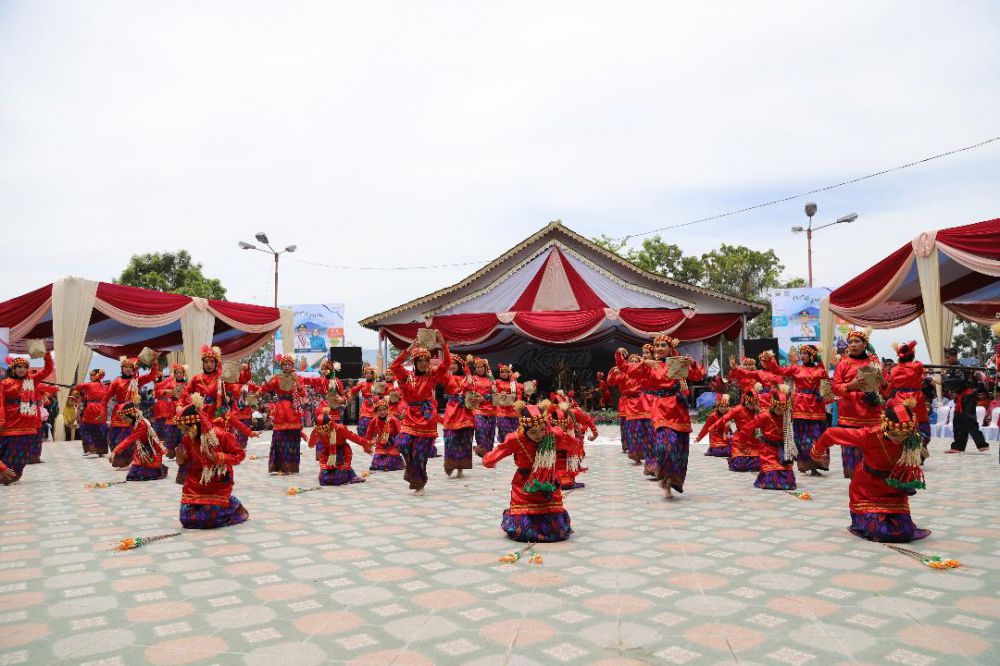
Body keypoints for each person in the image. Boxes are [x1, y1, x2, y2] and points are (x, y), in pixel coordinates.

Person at [812, 402, 930, 542]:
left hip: (895, 490)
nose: (899, 439)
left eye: (904, 435)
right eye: (895, 435)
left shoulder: (911, 435)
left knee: (905, 532)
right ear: (885, 426)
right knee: (882, 531)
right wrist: (817, 452)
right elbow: (830, 433)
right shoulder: (869, 435)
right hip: (868, 490)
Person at [618, 335, 704, 498]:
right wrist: (627, 357)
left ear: (670, 348)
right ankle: (663, 474)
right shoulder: (651, 365)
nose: (658, 348)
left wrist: (692, 364)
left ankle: (670, 481)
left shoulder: (677, 362)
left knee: (678, 449)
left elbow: (697, 376)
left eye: (662, 345)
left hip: (678, 409)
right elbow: (627, 369)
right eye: (656, 346)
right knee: (664, 446)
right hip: (660, 408)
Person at [482, 401, 572, 542]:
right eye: (533, 432)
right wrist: (488, 460)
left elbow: (572, 444)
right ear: (524, 428)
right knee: (522, 531)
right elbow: (494, 456)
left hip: (548, 480)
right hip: (524, 485)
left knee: (558, 531)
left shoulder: (552, 435)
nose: (539, 435)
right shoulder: (515, 439)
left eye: (542, 429)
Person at [175, 398, 249, 529]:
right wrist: (180, 460)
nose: (184, 432)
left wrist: (216, 457)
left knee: (208, 519)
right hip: (195, 484)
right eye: (182, 429)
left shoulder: (220, 435)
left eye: (187, 428)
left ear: (197, 423)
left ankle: (233, 504)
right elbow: (187, 462)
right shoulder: (188, 438)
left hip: (218, 483)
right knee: (186, 519)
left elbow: (239, 455)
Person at [390, 332, 450, 494]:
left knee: (420, 453)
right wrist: (409, 349)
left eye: (426, 360)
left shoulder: (432, 376)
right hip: (410, 416)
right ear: (414, 362)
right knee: (402, 443)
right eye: (420, 360)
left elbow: (446, 365)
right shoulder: (406, 377)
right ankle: (411, 469)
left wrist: (443, 345)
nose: (423, 363)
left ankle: (420, 483)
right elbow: (394, 366)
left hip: (427, 416)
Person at [761, 345, 830, 475]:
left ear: (812, 356)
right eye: (801, 353)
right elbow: (778, 370)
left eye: (805, 353)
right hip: (801, 406)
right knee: (802, 438)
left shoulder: (818, 370)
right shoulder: (796, 368)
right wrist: (771, 359)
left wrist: (820, 360)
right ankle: (805, 465)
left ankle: (816, 464)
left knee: (817, 436)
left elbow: (826, 376)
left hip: (816, 407)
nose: (802, 356)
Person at [830, 330, 886, 478]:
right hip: (849, 415)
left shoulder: (874, 363)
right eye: (850, 342)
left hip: (871, 414)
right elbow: (834, 387)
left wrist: (883, 381)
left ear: (865, 344)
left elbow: (886, 390)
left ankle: (872, 484)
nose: (853, 345)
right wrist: (850, 386)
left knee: (872, 451)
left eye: (857, 341)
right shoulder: (843, 364)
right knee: (851, 453)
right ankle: (856, 484)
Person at [0, 351, 54, 484]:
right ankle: (4, 472)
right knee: (7, 452)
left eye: (25, 367)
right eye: (19, 367)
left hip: (28, 425)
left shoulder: (31, 381)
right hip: (10, 424)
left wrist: (46, 354)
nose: (22, 370)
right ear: (12, 368)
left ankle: (12, 474)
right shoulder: (5, 383)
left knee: (21, 455)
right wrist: (1, 420)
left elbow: (47, 370)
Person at [255, 355, 308, 474]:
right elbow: (266, 387)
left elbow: (302, 393)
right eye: (285, 364)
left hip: (293, 409)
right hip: (280, 411)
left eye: (289, 364)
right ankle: (280, 467)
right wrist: (257, 393)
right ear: (281, 366)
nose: (287, 366)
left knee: (293, 438)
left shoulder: (297, 378)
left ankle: (291, 467)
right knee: (280, 438)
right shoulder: (276, 378)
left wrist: (297, 384)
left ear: (292, 365)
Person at [101, 355, 159, 464]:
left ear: (133, 369)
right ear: (122, 368)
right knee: (114, 438)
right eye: (125, 367)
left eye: (130, 367)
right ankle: (118, 459)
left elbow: (152, 376)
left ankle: (127, 461)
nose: (127, 369)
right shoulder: (116, 381)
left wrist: (155, 363)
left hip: (132, 412)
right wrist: (102, 410)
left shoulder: (136, 380)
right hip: (118, 412)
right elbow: (107, 396)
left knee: (129, 436)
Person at [741, 387, 796, 490]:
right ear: (773, 405)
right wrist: (743, 443)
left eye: (784, 408)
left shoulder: (787, 416)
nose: (781, 411)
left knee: (790, 483)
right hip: (768, 450)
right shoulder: (764, 416)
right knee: (771, 479)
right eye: (779, 408)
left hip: (782, 450)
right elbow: (747, 428)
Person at [942, 347, 988, 453]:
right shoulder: (952, 368)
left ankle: (981, 444)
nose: (946, 360)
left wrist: (943, 382)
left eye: (948, 357)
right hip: (960, 397)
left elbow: (957, 382)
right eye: (946, 358)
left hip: (967, 397)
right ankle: (958, 447)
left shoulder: (959, 368)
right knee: (957, 421)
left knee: (969, 420)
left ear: (955, 357)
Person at [309, 408, 372, 485]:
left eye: (325, 429)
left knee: (339, 478)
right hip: (328, 454)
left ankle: (350, 475)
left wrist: (366, 443)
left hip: (342, 453)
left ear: (329, 424)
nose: (323, 432)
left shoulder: (340, 428)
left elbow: (353, 437)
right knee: (323, 479)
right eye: (320, 430)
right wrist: (311, 444)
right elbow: (313, 438)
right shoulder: (318, 430)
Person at [110, 404, 169, 480]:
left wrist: (115, 451)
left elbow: (130, 439)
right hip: (141, 448)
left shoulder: (141, 424)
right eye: (123, 418)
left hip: (150, 449)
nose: (124, 421)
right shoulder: (134, 422)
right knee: (132, 475)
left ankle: (159, 468)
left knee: (141, 475)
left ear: (132, 415)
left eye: (125, 418)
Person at [611, 353, 651, 465]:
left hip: (642, 403)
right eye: (631, 361)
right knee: (631, 428)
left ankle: (645, 453)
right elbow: (611, 381)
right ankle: (633, 452)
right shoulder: (624, 374)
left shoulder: (644, 372)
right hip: (628, 403)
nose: (633, 363)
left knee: (644, 429)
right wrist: (615, 372)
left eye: (636, 361)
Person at [440, 355, 475, 477]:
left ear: (460, 365)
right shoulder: (448, 377)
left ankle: (461, 468)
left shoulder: (468, 378)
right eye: (451, 363)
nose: (452, 365)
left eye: (455, 363)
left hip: (466, 413)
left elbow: (473, 391)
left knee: (465, 441)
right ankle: (450, 463)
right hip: (452, 412)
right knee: (450, 440)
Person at [713, 387, 762, 472]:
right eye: (752, 404)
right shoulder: (738, 409)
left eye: (755, 404)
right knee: (739, 465)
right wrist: (714, 426)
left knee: (758, 465)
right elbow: (725, 417)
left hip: (753, 440)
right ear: (747, 401)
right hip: (740, 439)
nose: (753, 406)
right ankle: (733, 459)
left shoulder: (757, 411)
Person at [183, 346, 226, 422]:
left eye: (212, 361)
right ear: (202, 363)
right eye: (206, 362)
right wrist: (193, 403)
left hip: (217, 415)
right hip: (200, 414)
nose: (209, 365)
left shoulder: (221, 378)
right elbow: (185, 393)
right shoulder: (196, 378)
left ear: (216, 363)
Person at [153, 364, 186, 458]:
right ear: (174, 374)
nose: (179, 375)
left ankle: (181, 451)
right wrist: (167, 391)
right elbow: (158, 392)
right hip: (171, 409)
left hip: (182, 409)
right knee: (171, 430)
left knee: (182, 431)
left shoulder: (186, 384)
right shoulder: (170, 383)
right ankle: (171, 450)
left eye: (180, 373)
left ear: (183, 374)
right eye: (177, 373)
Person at [74, 369, 109, 457]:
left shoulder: (89, 384)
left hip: (91, 408)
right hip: (102, 408)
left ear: (97, 376)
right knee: (101, 429)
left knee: (85, 427)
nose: (90, 377)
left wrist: (76, 388)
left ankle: (90, 448)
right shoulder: (104, 386)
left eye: (92, 375)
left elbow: (79, 386)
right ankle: (101, 450)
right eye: (90, 375)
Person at [365, 399, 404, 471]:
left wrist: (400, 446)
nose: (382, 412)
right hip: (381, 445)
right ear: (376, 412)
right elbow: (368, 435)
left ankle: (399, 462)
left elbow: (400, 433)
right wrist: (369, 444)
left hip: (393, 445)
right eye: (379, 410)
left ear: (387, 410)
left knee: (388, 465)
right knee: (375, 465)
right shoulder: (374, 421)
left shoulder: (393, 420)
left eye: (384, 409)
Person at [468, 357, 496, 457]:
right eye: (478, 367)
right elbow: (468, 391)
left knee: (490, 433)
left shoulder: (491, 379)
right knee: (480, 429)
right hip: (478, 409)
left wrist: (485, 398)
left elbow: (496, 393)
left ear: (485, 368)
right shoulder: (473, 379)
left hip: (491, 409)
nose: (479, 369)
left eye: (481, 367)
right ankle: (481, 448)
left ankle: (487, 453)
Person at [493, 364, 524, 444]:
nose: (504, 374)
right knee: (504, 428)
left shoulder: (514, 384)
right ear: (500, 374)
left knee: (513, 431)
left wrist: (514, 397)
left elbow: (519, 395)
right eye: (502, 372)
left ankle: (511, 445)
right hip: (502, 410)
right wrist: (500, 394)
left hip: (513, 411)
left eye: (506, 372)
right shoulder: (498, 383)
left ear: (509, 373)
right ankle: (505, 443)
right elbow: (494, 393)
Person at [347, 364, 379, 440]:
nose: (368, 375)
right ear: (365, 375)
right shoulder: (362, 384)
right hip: (365, 406)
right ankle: (365, 440)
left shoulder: (376, 384)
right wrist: (349, 395)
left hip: (375, 405)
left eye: (370, 373)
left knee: (376, 423)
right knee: (363, 424)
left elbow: (383, 393)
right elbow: (352, 390)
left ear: (372, 374)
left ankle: (375, 438)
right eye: (367, 373)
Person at [695, 393, 731, 457]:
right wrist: (699, 438)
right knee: (721, 452)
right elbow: (706, 428)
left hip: (726, 437)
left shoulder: (728, 414)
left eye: (725, 407)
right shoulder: (713, 416)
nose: (723, 409)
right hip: (716, 438)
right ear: (717, 407)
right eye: (721, 406)